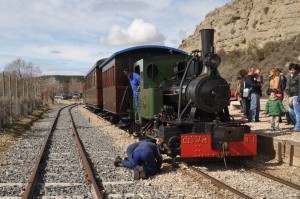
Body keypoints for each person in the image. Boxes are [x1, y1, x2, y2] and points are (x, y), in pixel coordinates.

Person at [286, 63, 300, 132]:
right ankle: (296, 124)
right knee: (290, 111)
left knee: (297, 112)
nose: (291, 71)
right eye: (290, 70)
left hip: (297, 96)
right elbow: (289, 86)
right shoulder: (291, 77)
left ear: (296, 70)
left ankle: (298, 127)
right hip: (291, 96)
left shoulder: (299, 76)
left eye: (293, 70)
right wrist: (288, 93)